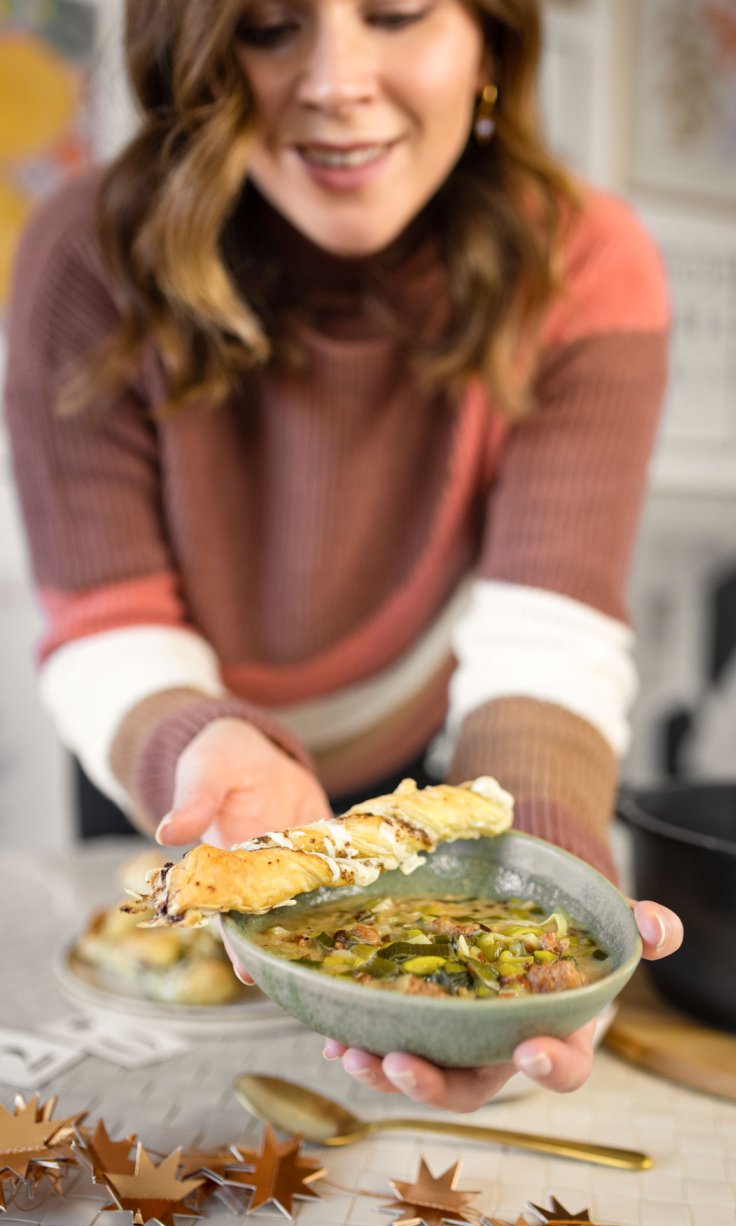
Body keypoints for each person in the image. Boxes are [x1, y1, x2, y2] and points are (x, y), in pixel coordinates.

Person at [5, 0, 682, 1110]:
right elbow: (108, 621)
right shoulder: (85, 256)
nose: (337, 79)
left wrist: (552, 882)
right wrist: (195, 744)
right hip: (178, 764)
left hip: (434, 760)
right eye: (271, 26)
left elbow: (545, 638)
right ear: (196, 56)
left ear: (493, 40)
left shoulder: (587, 262)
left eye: (397, 13)